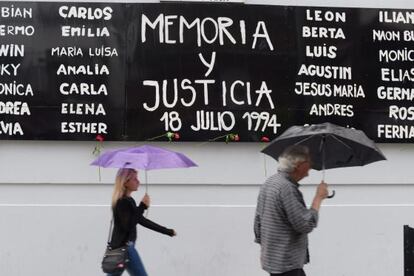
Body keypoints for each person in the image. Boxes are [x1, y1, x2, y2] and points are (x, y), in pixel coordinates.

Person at [254, 145, 328, 276]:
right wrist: (319, 197)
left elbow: (258, 223)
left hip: (274, 261)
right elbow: (305, 225)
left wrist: (265, 251)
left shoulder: (270, 182)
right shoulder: (287, 188)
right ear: (298, 165)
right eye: (308, 162)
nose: (311, 166)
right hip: (287, 264)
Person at [107, 168, 176, 276]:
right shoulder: (122, 202)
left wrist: (166, 231)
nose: (138, 181)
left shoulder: (128, 200)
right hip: (125, 248)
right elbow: (128, 225)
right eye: (135, 179)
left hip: (122, 248)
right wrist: (142, 206)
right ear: (126, 182)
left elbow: (141, 220)